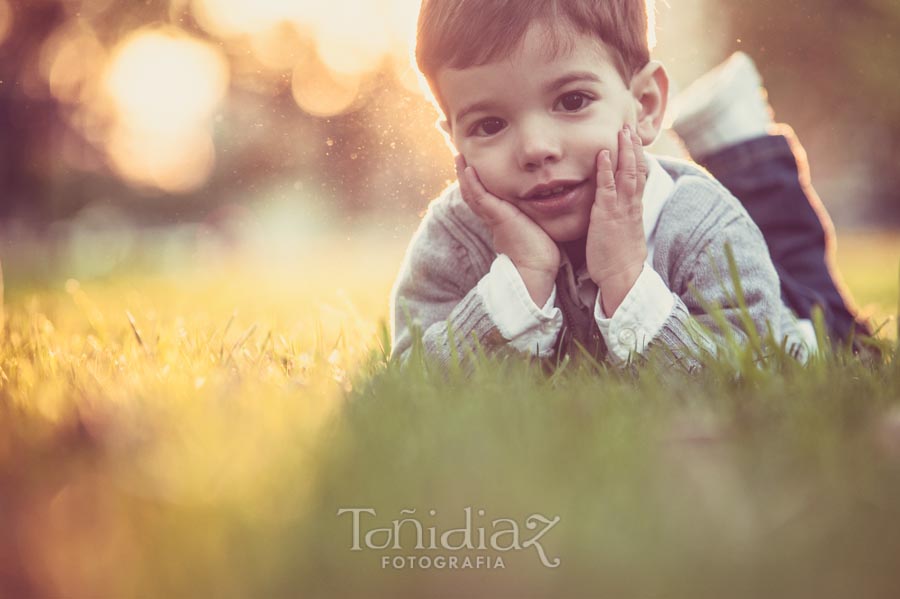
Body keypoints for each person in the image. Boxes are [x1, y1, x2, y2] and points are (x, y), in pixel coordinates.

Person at [390, 0, 871, 371]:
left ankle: (739, 145)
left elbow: (747, 378)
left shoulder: (704, 226)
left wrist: (625, 279)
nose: (535, 148)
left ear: (642, 106)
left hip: (791, 313)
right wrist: (519, 281)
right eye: (489, 125)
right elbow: (412, 384)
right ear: (453, 138)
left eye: (572, 100)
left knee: (810, 293)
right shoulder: (455, 239)